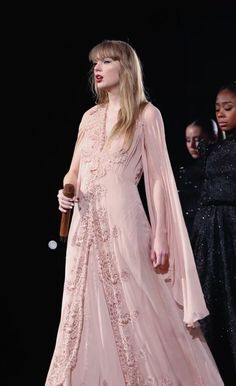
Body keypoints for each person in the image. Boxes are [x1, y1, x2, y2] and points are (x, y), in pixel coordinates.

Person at [45, 40, 224, 386]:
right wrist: (63, 193)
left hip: (124, 219)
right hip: (84, 224)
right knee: (81, 303)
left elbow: (157, 179)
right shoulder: (90, 117)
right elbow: (73, 172)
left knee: (141, 299)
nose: (97, 68)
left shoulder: (146, 114)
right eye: (95, 62)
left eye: (107, 61)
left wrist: (160, 234)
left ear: (125, 67)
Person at [191, 81, 236, 385]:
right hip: (207, 232)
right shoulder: (215, 148)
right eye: (218, 108)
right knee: (209, 301)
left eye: (228, 108)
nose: (221, 114)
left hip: (230, 229)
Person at [177, 118, 219, 236]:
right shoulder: (185, 173)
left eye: (198, 139)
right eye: (188, 140)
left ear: (214, 137)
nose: (192, 145)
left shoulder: (222, 169)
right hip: (190, 233)